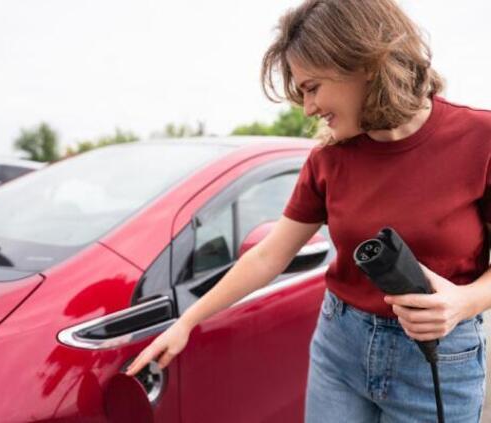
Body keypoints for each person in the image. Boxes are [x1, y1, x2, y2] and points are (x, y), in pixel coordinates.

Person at [126, 0, 490, 421]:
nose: (308, 109)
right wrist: (186, 321)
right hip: (340, 347)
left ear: (364, 62)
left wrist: (465, 301)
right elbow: (268, 254)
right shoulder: (328, 159)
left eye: (311, 87)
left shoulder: (480, 140)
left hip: (437, 362)